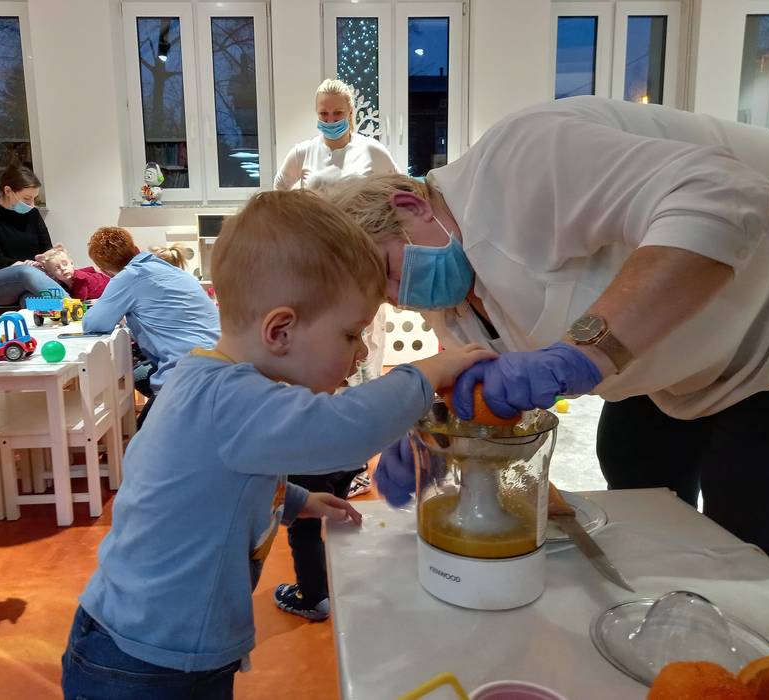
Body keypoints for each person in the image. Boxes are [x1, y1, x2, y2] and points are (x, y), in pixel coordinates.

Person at [330, 95, 769, 575]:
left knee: (750, 516)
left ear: (411, 205)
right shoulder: (447, 304)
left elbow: (727, 194)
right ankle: (670, 601)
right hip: (679, 356)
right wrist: (437, 435)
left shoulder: (522, 160)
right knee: (631, 462)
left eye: (388, 271)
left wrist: (586, 353)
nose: (402, 297)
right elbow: (492, 385)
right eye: (385, 297)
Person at [60, 191, 492, 699]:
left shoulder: (207, 380)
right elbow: (345, 428)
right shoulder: (230, 399)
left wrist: (297, 501)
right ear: (281, 330)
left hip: (159, 647)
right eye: (351, 334)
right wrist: (428, 371)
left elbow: (211, 485)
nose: (359, 353)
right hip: (143, 664)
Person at [272, 78, 399, 620]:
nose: (329, 120)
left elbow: (400, 195)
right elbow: (274, 199)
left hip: (362, 266)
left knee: (360, 358)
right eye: (322, 113)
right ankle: (320, 451)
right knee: (317, 360)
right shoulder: (302, 153)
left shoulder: (373, 152)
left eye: (336, 112)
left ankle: (351, 459)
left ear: (352, 111)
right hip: (315, 267)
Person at [82, 227, 220, 424]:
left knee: (143, 434)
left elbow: (93, 323)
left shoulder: (128, 277)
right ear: (135, 249)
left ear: (105, 270)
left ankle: (180, 414)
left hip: (187, 373)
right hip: (221, 360)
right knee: (140, 375)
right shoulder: (170, 269)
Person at [0, 164, 65, 309]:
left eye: (34, 199)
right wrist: (24, 265)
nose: (31, 204)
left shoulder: (32, 214)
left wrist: (53, 257)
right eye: (27, 198)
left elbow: (46, 249)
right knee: (24, 273)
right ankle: (71, 306)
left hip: (31, 277)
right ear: (8, 191)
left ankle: (59, 309)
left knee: (28, 299)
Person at [35, 245, 110, 302]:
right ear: (52, 274)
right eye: (57, 268)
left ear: (72, 264)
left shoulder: (79, 279)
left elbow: (79, 300)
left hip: (107, 286)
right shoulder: (63, 282)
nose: (63, 268)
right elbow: (91, 269)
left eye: (65, 264)